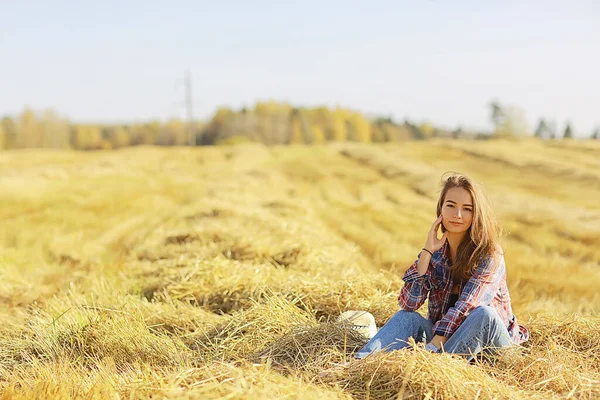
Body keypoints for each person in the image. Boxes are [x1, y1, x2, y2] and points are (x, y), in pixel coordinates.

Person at [355, 173, 529, 362]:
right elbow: (409, 303)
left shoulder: (489, 253)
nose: (458, 215)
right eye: (451, 206)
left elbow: (467, 307)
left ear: (476, 214)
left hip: (493, 347)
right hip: (453, 343)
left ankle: (432, 370)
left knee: (484, 314)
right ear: (441, 209)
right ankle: (355, 366)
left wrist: (431, 350)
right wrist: (427, 252)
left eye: (467, 209)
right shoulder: (437, 254)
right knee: (407, 318)